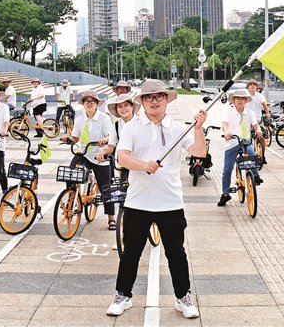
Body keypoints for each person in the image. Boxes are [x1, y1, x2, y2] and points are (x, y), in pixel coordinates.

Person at [107, 79, 207, 319]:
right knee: (131, 252)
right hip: (138, 203)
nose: (154, 101)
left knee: (176, 253)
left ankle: (183, 298)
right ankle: (123, 295)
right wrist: (143, 166)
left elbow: (199, 152)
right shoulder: (132, 127)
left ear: (166, 100)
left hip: (170, 202)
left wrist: (198, 127)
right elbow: (122, 158)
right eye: (149, 97)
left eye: (159, 96)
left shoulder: (177, 127)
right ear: (141, 101)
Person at [60, 90, 116, 230]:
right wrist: (69, 138)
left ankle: (111, 218)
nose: (89, 104)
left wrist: (105, 139)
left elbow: (110, 136)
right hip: (84, 154)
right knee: (70, 174)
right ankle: (72, 198)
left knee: (105, 187)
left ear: (97, 104)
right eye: (86, 101)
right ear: (83, 104)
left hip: (100, 156)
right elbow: (76, 138)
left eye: (92, 101)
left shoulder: (104, 118)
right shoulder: (80, 119)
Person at [218, 88, 263, 207]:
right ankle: (225, 193)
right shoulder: (229, 111)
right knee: (227, 169)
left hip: (245, 141)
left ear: (246, 100)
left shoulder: (250, 112)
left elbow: (255, 125)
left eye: (242, 98)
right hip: (232, 142)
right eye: (237, 98)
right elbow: (225, 124)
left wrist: (258, 130)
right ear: (233, 100)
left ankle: (255, 176)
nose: (240, 100)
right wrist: (227, 131)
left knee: (253, 155)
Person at [105, 93, 140, 183]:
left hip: (141, 164)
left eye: (126, 105)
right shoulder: (116, 126)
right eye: (120, 106)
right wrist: (103, 151)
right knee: (124, 192)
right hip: (124, 164)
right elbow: (111, 146)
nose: (123, 109)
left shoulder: (142, 122)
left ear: (132, 107)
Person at [245, 79, 271, 164]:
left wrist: (267, 113)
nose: (252, 86)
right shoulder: (245, 95)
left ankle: (263, 155)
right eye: (250, 84)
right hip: (247, 121)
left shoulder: (260, 96)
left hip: (258, 120)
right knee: (246, 139)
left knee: (262, 137)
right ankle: (247, 154)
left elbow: (264, 105)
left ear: (256, 87)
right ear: (248, 87)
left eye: (254, 85)